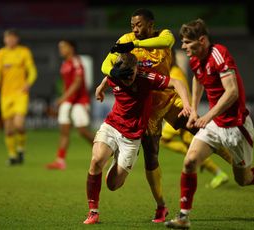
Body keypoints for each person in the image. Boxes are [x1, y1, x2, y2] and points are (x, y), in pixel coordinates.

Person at [103, 8, 232, 223]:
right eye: (132, 25)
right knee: (151, 156)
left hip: (170, 98)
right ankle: (161, 205)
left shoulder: (165, 35)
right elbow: (107, 63)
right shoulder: (125, 39)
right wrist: (111, 76)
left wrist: (134, 45)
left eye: (138, 25)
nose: (134, 29)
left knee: (199, 128)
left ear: (151, 24)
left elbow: (165, 44)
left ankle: (234, 159)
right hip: (147, 108)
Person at [165, 19, 254, 229]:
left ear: (202, 40)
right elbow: (198, 80)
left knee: (243, 179)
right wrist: (193, 109)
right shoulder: (195, 60)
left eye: (188, 42)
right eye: (182, 42)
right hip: (216, 124)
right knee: (190, 161)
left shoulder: (218, 53)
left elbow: (232, 92)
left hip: (237, 126)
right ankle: (183, 216)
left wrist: (206, 117)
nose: (183, 47)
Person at [83, 53, 191, 224]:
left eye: (130, 76)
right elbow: (107, 78)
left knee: (113, 185)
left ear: (136, 69)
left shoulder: (146, 77)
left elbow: (177, 82)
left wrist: (186, 105)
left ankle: (117, 160)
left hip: (131, 137)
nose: (127, 80)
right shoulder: (116, 74)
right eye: (123, 77)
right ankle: (93, 212)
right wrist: (100, 88)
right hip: (112, 125)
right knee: (96, 161)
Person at [160, 50, 229, 189]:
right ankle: (220, 169)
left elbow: (181, 93)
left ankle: (232, 166)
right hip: (179, 116)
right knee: (187, 146)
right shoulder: (171, 72)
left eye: (164, 56)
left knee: (200, 146)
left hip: (184, 115)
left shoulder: (175, 73)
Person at [0, 29, 37, 165]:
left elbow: (32, 70)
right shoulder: (0, 54)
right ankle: (12, 155)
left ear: (17, 39)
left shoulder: (24, 52)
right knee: (8, 128)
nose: (10, 40)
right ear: (5, 40)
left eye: (12, 38)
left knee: (19, 124)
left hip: (20, 94)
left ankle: (21, 149)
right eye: (8, 38)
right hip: (5, 95)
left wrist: (28, 83)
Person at [46, 39, 95, 170]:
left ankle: (105, 152)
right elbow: (66, 84)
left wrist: (63, 98)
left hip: (80, 101)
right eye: (59, 47)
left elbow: (78, 83)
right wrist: (63, 101)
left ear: (71, 48)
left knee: (83, 131)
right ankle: (60, 160)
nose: (60, 49)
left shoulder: (76, 61)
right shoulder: (65, 64)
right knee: (64, 131)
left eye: (63, 47)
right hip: (67, 101)